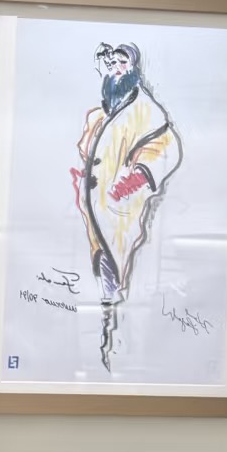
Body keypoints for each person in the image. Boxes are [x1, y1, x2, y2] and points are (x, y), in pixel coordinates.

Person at [70, 40, 182, 370]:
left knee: (121, 275)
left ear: (133, 67)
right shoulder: (102, 111)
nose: (116, 68)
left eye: (123, 62)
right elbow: (89, 151)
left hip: (121, 211)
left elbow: (166, 146)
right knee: (101, 274)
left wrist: (134, 181)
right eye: (112, 63)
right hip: (94, 211)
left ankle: (116, 348)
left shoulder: (146, 109)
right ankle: (104, 345)